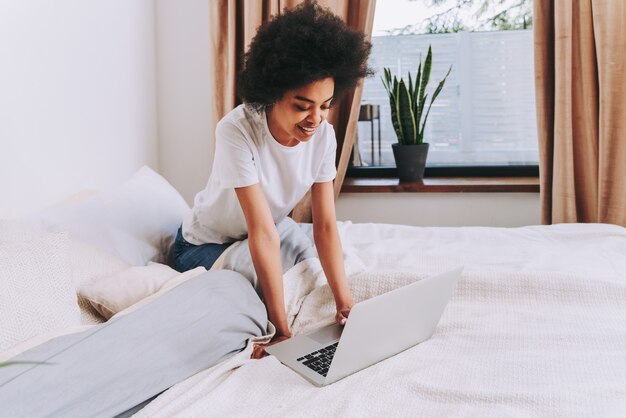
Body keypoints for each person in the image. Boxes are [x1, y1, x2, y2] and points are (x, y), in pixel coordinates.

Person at [172, 2, 372, 358]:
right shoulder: (237, 130)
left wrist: (345, 304)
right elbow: (261, 232)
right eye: (302, 105)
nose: (315, 118)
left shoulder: (323, 137)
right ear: (272, 93)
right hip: (204, 245)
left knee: (322, 258)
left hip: (266, 230)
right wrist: (280, 330)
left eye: (324, 105)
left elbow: (324, 224)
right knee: (266, 279)